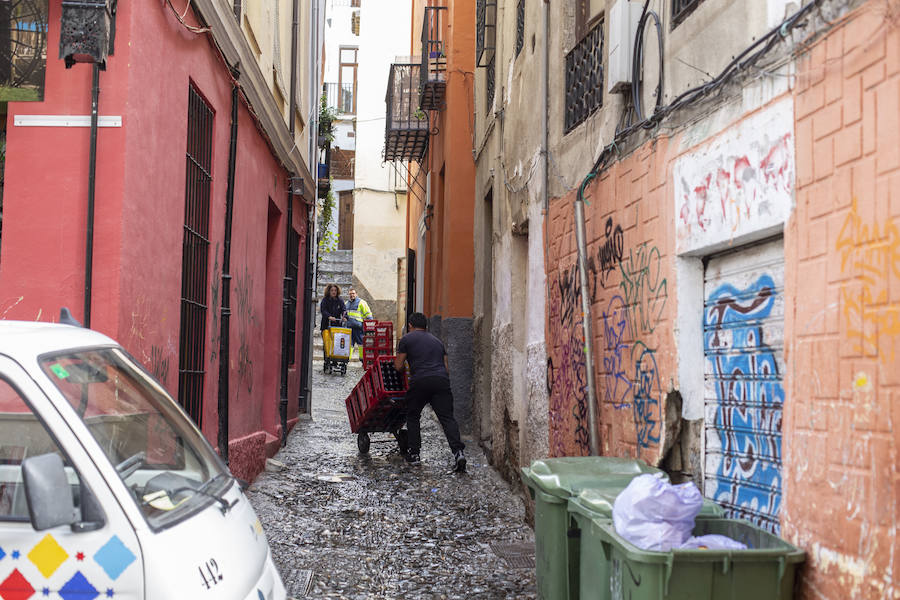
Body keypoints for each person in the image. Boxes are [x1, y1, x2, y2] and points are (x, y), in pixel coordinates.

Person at [394, 312, 466, 472]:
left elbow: (398, 366)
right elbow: (446, 369)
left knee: (413, 416)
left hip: (420, 380)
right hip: (441, 381)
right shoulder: (438, 342)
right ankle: (458, 452)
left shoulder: (407, 339)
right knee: (447, 418)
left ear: (411, 326)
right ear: (426, 326)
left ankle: (415, 454)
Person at [345, 287, 373, 361]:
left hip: (359, 328)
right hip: (349, 328)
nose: (352, 295)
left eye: (353, 293)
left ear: (356, 294)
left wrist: (371, 327)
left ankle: (363, 360)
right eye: (350, 294)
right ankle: (347, 360)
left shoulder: (362, 302)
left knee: (361, 345)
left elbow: (368, 315)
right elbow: (345, 315)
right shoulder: (346, 303)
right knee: (349, 345)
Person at [319, 284, 346, 359]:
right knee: (327, 344)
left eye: (335, 290)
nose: (334, 292)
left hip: (337, 325)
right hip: (326, 325)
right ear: (329, 291)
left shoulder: (340, 300)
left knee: (336, 343)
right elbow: (323, 310)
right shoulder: (325, 300)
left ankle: (335, 360)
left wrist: (345, 317)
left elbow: (344, 310)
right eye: (332, 290)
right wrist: (329, 317)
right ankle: (326, 359)